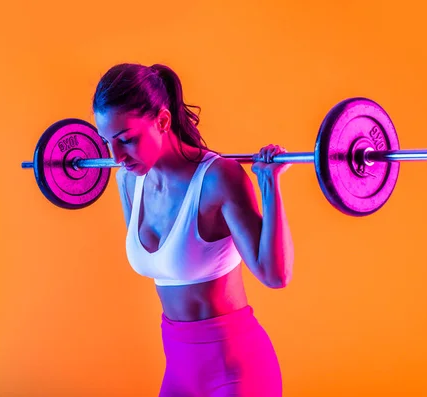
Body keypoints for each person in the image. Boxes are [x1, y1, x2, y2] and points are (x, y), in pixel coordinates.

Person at [92, 63, 294, 397]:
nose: (116, 156)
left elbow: (276, 275)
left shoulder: (218, 178)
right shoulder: (128, 180)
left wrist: (269, 185)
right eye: (107, 142)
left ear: (163, 121)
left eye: (126, 140)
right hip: (179, 370)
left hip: (235, 370)